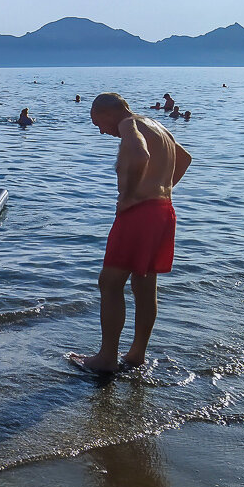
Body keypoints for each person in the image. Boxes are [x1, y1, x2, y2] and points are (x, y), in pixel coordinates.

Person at [71, 93, 191, 375]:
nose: (100, 130)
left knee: (110, 283)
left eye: (97, 122)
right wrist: (161, 188)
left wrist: (130, 195)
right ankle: (136, 354)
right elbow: (184, 159)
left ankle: (106, 359)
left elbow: (139, 155)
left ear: (107, 113)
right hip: (163, 211)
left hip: (140, 214)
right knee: (145, 284)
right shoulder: (158, 126)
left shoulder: (128, 124)